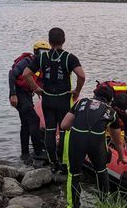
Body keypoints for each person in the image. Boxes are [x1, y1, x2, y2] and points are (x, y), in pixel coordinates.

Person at [22, 27, 85, 171]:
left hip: (47, 99)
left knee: (50, 130)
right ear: (64, 40)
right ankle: (63, 162)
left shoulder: (41, 57)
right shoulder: (69, 57)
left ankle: (52, 162)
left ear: (49, 41)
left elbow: (26, 74)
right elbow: (81, 76)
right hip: (63, 99)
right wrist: (77, 90)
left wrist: (36, 88)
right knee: (64, 130)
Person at [60, 85, 126, 208]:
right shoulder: (111, 112)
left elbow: (64, 125)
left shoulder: (81, 102)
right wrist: (122, 157)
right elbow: (118, 141)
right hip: (97, 143)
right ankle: (104, 207)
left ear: (95, 94)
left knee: (73, 174)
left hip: (77, 141)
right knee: (101, 172)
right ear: (110, 100)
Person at [8, 41, 50, 167]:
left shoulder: (42, 66)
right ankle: (38, 151)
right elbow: (12, 75)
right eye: (43, 52)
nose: (45, 55)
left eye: (47, 53)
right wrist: (13, 94)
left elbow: (41, 83)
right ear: (36, 52)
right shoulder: (27, 62)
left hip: (26, 94)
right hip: (18, 93)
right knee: (34, 119)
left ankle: (25, 153)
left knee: (25, 123)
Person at [96, 81, 127, 148]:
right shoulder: (108, 100)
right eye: (120, 110)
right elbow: (105, 118)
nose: (122, 111)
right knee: (109, 121)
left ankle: (126, 139)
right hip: (103, 99)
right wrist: (114, 138)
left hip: (116, 102)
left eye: (123, 110)